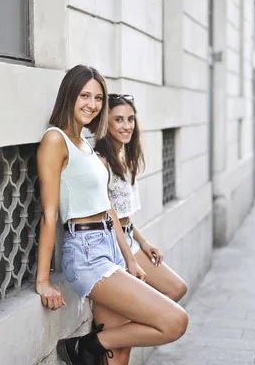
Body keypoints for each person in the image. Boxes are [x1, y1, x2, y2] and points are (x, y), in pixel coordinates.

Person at [35, 65, 188, 365]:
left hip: (111, 248)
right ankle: (86, 346)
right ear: (69, 95)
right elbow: (49, 215)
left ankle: (93, 347)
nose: (92, 104)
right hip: (87, 254)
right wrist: (43, 280)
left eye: (98, 98)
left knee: (119, 354)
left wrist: (131, 259)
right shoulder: (55, 140)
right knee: (175, 321)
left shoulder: (86, 145)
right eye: (84, 96)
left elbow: (109, 208)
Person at [93, 94, 189, 364]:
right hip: (111, 247)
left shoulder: (125, 155)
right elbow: (108, 212)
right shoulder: (101, 160)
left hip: (128, 239)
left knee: (175, 288)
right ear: (105, 124)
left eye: (131, 119)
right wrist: (130, 259)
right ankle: (100, 343)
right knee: (121, 351)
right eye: (118, 120)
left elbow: (124, 216)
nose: (126, 126)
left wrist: (143, 242)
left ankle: (102, 341)